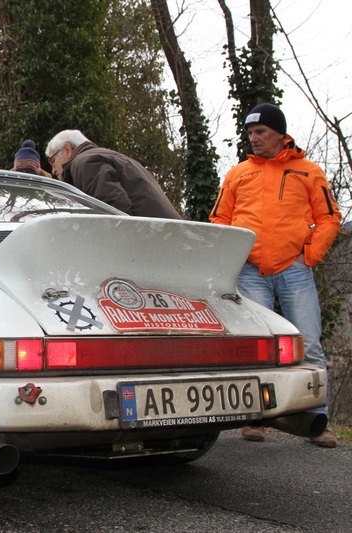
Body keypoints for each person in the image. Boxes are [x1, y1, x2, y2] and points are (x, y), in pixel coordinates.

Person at [210, 103, 341, 448]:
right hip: (250, 271)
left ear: (280, 135)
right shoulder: (238, 173)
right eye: (250, 133)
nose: (253, 139)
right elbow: (219, 221)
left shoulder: (309, 172)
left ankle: (318, 420)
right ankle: (256, 419)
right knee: (256, 347)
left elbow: (329, 217)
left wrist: (311, 254)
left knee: (309, 342)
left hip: (294, 269)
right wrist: (231, 261)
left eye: (260, 132)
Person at [44, 129, 181, 219]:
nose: (53, 170)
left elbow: (113, 210)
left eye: (52, 161)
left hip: (153, 244)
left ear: (67, 150)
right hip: (171, 237)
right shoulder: (118, 158)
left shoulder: (85, 163)